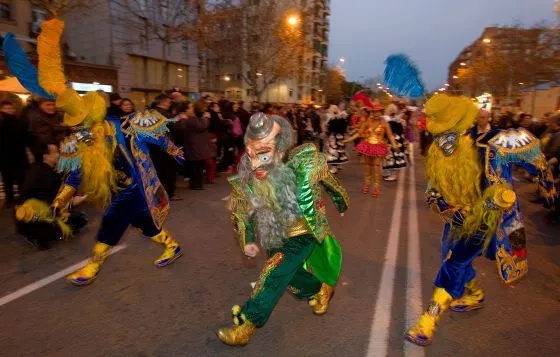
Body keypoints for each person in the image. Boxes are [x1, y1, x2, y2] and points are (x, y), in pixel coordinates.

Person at [4, 17, 186, 285]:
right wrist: (61, 200)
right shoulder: (80, 142)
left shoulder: (121, 126)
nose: (79, 131)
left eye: (82, 126)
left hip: (135, 185)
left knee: (111, 224)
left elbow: (155, 135)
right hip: (116, 188)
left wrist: (174, 151)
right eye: (75, 127)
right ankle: (173, 246)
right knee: (144, 225)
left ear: (93, 118)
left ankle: (91, 268)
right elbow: (75, 174)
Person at [405, 94, 555, 347]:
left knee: (455, 262)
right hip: (457, 219)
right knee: (450, 257)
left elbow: (535, 157)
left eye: (449, 132)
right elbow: (432, 191)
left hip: (490, 215)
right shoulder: (440, 152)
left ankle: (427, 322)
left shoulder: (495, 143)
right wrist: (448, 209)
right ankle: (474, 293)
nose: (444, 140)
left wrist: (547, 186)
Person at [217, 113, 349, 346]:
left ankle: (247, 324)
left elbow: (329, 181)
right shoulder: (250, 178)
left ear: (279, 153)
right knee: (288, 278)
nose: (255, 164)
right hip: (274, 235)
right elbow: (242, 212)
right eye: (250, 155)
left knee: (271, 274)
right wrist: (247, 240)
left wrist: (341, 202)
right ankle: (320, 289)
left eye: (263, 155)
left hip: (302, 233)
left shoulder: (302, 168)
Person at [15, 143, 88, 250]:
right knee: (75, 222)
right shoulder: (39, 173)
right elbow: (50, 200)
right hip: (33, 217)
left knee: (80, 220)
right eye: (56, 152)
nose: (59, 155)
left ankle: (46, 232)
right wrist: (72, 202)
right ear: (46, 156)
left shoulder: (47, 169)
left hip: (44, 211)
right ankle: (37, 235)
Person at [344, 103, 398, 197]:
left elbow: (390, 136)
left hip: (378, 146)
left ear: (381, 112)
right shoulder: (367, 122)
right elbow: (359, 134)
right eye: (375, 112)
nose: (377, 114)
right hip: (367, 146)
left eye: (379, 112)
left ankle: (376, 187)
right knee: (368, 167)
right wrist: (348, 140)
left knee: (377, 167)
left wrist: (394, 145)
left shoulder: (385, 124)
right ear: (372, 112)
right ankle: (367, 184)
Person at [150, 94, 182, 201]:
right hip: (166, 144)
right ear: (163, 102)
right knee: (169, 171)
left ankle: (159, 194)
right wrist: (177, 119)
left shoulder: (152, 112)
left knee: (159, 171)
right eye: (168, 102)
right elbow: (173, 127)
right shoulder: (163, 114)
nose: (169, 104)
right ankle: (169, 193)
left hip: (155, 145)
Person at [178, 102, 212, 190]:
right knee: (199, 165)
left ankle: (195, 184)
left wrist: (182, 119)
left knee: (194, 165)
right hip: (202, 146)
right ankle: (198, 184)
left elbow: (181, 128)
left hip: (193, 145)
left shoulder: (190, 120)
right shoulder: (204, 120)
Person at [0, 100, 29, 205]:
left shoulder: (18, 121)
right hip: (8, 156)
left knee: (16, 179)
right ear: (2, 109)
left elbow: (24, 138)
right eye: (7, 109)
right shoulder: (7, 121)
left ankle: (13, 200)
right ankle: (13, 200)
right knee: (10, 180)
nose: (9, 111)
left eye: (11, 108)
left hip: (17, 156)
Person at [383, 104, 409, 182]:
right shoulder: (399, 120)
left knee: (391, 158)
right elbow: (402, 131)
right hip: (398, 140)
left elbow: (388, 133)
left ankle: (393, 175)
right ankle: (391, 174)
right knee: (394, 157)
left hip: (392, 141)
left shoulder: (389, 121)